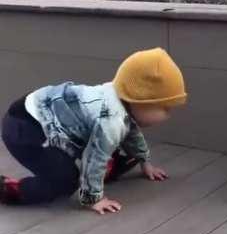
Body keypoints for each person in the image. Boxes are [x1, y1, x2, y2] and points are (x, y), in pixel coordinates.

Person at [0, 47, 187, 215]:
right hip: (26, 129)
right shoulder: (111, 120)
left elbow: (132, 133)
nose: (167, 116)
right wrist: (93, 198)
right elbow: (95, 157)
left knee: (119, 147)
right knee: (65, 180)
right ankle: (8, 189)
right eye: (165, 108)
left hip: (43, 115)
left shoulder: (117, 97)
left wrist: (144, 162)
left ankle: (106, 170)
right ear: (141, 101)